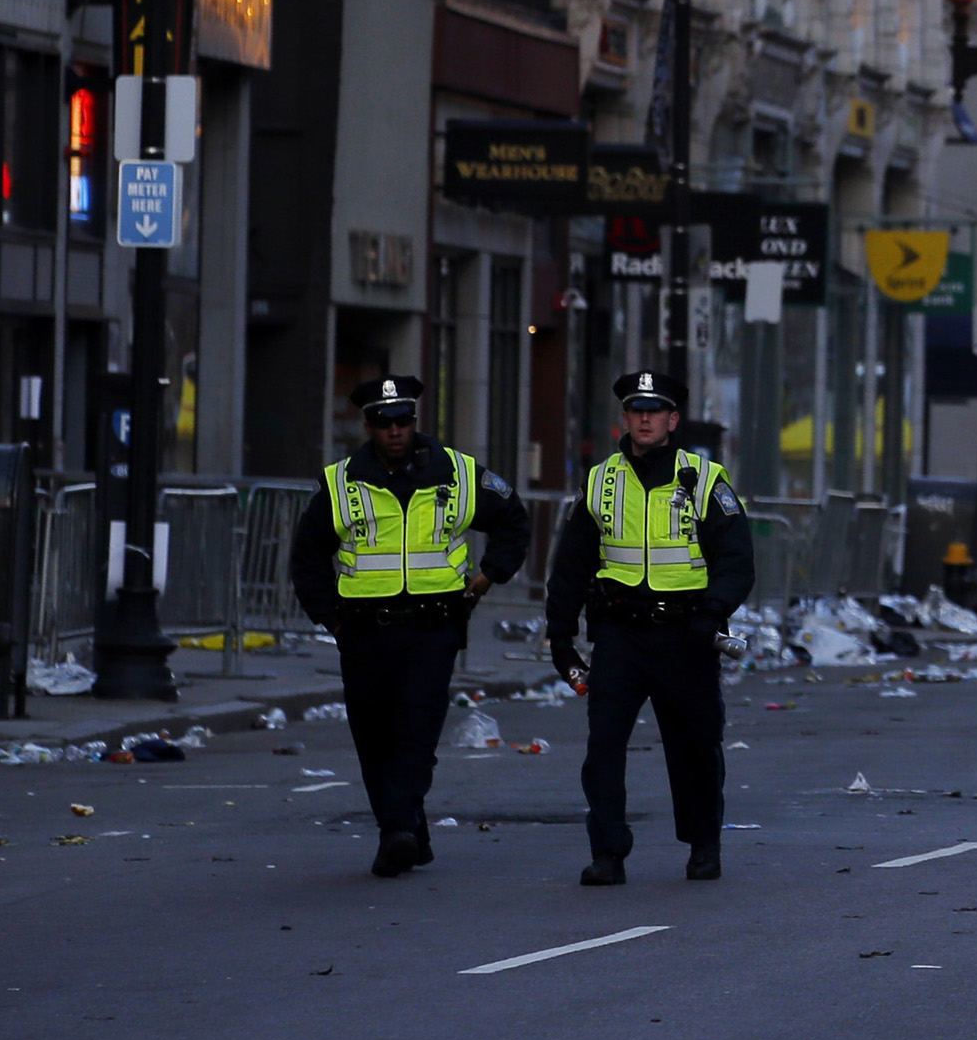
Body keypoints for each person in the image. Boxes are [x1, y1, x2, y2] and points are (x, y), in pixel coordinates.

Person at [289, 374, 530, 876]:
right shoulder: (340, 481)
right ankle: (409, 830)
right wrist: (328, 617)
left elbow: (513, 521)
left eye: (402, 420)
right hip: (363, 629)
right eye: (383, 422)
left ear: (414, 421)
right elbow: (308, 555)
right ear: (368, 425)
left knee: (416, 730)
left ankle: (395, 830)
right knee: (374, 736)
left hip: (433, 626)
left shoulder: (457, 472)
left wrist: (486, 579)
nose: (395, 430)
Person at [547, 370, 751, 886]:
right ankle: (608, 852)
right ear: (626, 418)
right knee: (604, 746)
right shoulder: (600, 481)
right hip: (620, 634)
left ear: (673, 419)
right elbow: (570, 565)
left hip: (686, 635)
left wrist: (711, 613)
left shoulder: (704, 480)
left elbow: (737, 562)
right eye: (636, 409)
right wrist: (560, 635)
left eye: (655, 409)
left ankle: (704, 844)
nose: (644, 417)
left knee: (695, 746)